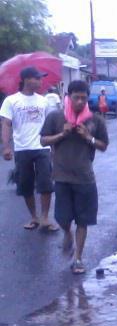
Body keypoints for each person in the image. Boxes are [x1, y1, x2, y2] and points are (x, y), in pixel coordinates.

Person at [40, 80, 109, 274]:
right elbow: (44, 140)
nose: (80, 101)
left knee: (83, 220)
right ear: (68, 97)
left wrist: (89, 137)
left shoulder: (95, 120)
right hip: (61, 176)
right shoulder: (55, 117)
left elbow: (104, 146)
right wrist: (62, 133)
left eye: (83, 98)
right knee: (62, 218)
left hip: (85, 177)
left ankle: (78, 258)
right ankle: (67, 234)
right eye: (76, 97)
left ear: (88, 99)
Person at [0, 67, 57, 231]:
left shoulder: (43, 101)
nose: (40, 81)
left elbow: (49, 125)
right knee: (25, 184)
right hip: (22, 149)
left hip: (42, 147)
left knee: (46, 183)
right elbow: (6, 124)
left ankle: (45, 217)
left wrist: (54, 146)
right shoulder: (11, 101)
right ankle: (34, 217)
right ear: (26, 80)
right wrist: (6, 147)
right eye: (37, 78)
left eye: (41, 79)